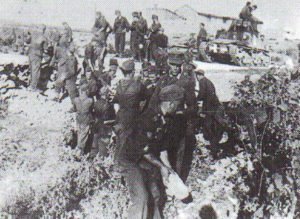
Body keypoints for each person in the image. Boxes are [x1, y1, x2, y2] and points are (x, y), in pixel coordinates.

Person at [116, 84, 187, 219]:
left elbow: (162, 149)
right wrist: (161, 167)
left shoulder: (168, 120)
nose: (179, 109)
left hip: (146, 161)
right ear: (171, 104)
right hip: (130, 160)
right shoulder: (148, 119)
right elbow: (144, 150)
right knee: (141, 198)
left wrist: (169, 171)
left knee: (155, 195)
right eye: (178, 105)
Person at [113, 59, 147, 147]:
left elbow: (116, 100)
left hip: (120, 115)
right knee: (132, 141)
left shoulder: (119, 85)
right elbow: (146, 98)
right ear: (132, 72)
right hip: (133, 116)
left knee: (121, 140)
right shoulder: (138, 85)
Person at [74, 80, 94, 155]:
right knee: (84, 134)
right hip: (86, 118)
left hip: (79, 118)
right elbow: (91, 109)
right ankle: (80, 149)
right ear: (86, 91)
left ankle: (78, 148)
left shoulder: (76, 100)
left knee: (79, 132)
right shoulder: (90, 100)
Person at [28, 24, 48, 91]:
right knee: (36, 71)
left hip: (30, 53)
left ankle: (30, 84)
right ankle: (33, 87)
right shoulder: (44, 38)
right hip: (37, 55)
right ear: (44, 30)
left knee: (31, 69)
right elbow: (46, 49)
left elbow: (27, 41)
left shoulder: (33, 34)